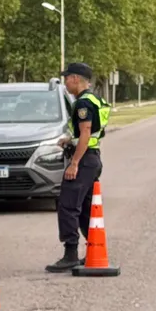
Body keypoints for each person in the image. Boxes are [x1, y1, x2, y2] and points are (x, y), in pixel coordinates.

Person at [46, 62, 109, 273]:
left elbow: (86, 132)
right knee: (84, 208)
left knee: (67, 205)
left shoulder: (82, 103)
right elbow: (90, 134)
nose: (65, 83)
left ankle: (70, 254)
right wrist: (69, 140)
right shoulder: (94, 99)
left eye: (67, 78)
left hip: (83, 161)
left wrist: (74, 163)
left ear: (75, 78)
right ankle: (94, 249)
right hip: (92, 158)